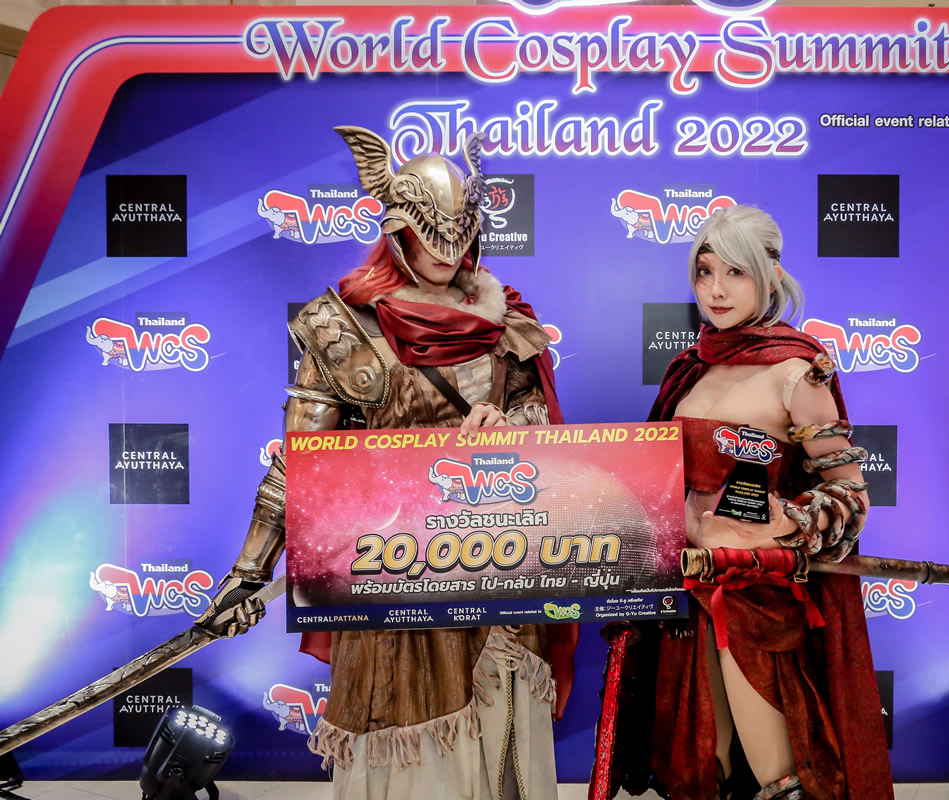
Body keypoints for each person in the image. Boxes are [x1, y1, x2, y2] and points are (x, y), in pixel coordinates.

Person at [196, 126, 575, 800]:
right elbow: (302, 465)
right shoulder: (343, 328)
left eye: (458, 233)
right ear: (398, 230)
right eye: (431, 233)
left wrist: (508, 432)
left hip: (495, 565)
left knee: (501, 754)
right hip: (396, 573)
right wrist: (248, 572)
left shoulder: (508, 320)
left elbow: (544, 438)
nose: (445, 250)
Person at [597, 205, 892, 800]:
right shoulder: (689, 369)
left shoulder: (798, 373)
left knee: (778, 774)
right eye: (705, 271)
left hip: (756, 595)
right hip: (686, 589)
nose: (716, 289)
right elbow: (657, 479)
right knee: (701, 765)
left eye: (736, 271)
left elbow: (852, 495)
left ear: (771, 275)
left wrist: (796, 518)